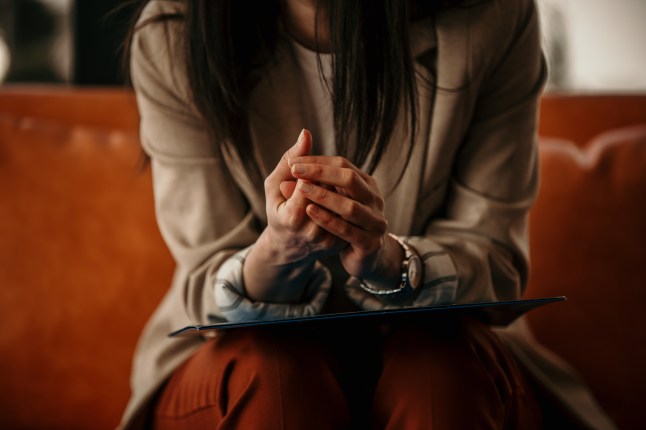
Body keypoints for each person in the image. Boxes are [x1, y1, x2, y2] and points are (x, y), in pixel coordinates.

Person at [121, 0, 616, 429]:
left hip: (441, 350)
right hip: (243, 360)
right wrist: (275, 254)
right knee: (274, 377)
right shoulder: (174, 35)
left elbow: (495, 258)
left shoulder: (489, 18)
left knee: (437, 376)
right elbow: (207, 266)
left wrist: (392, 262)